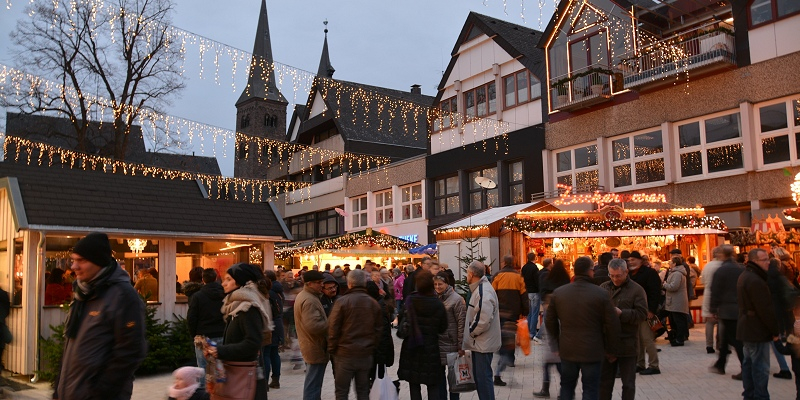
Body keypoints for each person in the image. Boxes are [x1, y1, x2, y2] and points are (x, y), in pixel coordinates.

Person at [57, 232, 146, 399]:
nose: (74, 266)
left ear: (98, 262)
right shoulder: (83, 294)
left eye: (81, 260)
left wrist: (100, 393)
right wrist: (57, 389)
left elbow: (130, 351)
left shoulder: (122, 296)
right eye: (73, 260)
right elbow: (70, 346)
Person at [545, 256, 620, 400]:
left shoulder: (559, 293)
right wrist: (612, 349)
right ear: (591, 271)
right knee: (591, 388)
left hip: (567, 349)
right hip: (593, 348)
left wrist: (556, 343)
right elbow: (612, 324)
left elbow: (550, 321)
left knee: (566, 386)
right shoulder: (601, 294)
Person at [204, 263, 272, 400]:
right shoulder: (237, 306)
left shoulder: (248, 308)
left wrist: (220, 351)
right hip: (239, 373)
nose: (223, 283)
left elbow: (252, 343)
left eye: (228, 279)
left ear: (241, 280)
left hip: (245, 378)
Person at [328, 269, 383, 400]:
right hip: (365, 354)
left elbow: (333, 329)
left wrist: (332, 349)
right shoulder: (373, 303)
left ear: (349, 283)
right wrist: (371, 346)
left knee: (341, 391)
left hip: (344, 354)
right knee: (363, 390)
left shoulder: (341, 302)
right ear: (364, 283)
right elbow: (379, 329)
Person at [599, 258, 647, 400]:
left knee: (628, 384)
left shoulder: (637, 290)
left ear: (626, 272)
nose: (615, 279)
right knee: (604, 384)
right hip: (607, 343)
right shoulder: (603, 288)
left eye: (618, 275)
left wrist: (622, 313)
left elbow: (642, 314)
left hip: (628, 343)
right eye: (611, 275)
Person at [398, 270, 448, 400]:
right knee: (433, 385)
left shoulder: (410, 301)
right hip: (431, 349)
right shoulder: (437, 304)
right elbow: (443, 328)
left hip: (412, 348)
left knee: (414, 385)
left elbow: (402, 326)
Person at [738, 248, 779, 399]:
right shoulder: (755, 279)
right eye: (765, 260)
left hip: (748, 328)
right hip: (756, 330)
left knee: (749, 364)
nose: (768, 262)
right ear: (755, 261)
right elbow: (765, 309)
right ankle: (760, 396)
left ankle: (749, 394)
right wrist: (775, 330)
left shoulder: (747, 275)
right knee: (760, 367)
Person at [463, 261, 501, 400]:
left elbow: (483, 320)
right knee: (481, 378)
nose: (467, 276)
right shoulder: (480, 289)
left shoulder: (483, 290)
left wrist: (471, 332)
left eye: (467, 273)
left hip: (482, 344)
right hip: (480, 343)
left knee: (483, 378)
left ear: (472, 274)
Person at [491, 255, 529, 386]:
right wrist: (525, 311)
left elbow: (492, 293)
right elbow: (524, 295)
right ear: (512, 263)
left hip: (500, 312)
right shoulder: (518, 277)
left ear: (503, 263)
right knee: (511, 336)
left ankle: (501, 355)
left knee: (501, 333)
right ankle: (509, 358)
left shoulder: (497, 275)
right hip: (513, 312)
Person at [710, 244, 745, 379]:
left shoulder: (722, 270)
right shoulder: (740, 268)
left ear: (722, 255)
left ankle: (744, 367)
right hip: (738, 307)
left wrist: (713, 308)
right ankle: (720, 364)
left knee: (734, 340)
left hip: (727, 309)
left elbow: (716, 291)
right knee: (725, 337)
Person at [294, 270, 329, 400]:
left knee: (313, 383)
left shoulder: (308, 296)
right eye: (319, 282)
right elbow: (313, 326)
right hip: (315, 346)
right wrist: (331, 324)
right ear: (309, 284)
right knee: (313, 385)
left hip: (312, 345)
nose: (322, 285)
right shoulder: (309, 300)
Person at [628, 250, 662, 375]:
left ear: (640, 260)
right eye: (629, 260)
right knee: (637, 339)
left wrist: (651, 310)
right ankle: (640, 363)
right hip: (634, 311)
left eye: (633, 260)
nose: (631, 262)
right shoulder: (630, 274)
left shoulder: (650, 273)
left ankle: (654, 365)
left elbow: (655, 292)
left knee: (647, 338)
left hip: (646, 311)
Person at [434, 270, 466, 400]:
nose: (437, 287)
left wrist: (461, 344)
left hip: (452, 343)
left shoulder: (457, 299)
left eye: (440, 284)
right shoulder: (434, 298)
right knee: (440, 378)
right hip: (438, 343)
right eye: (435, 284)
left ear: (447, 284)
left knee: (454, 379)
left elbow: (461, 323)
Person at [187, 268, 225, 369]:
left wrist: (194, 334)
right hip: (222, 333)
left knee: (203, 367)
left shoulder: (198, 296)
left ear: (203, 279)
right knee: (221, 367)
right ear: (216, 278)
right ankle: (220, 385)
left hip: (203, 335)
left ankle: (204, 385)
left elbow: (191, 318)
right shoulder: (225, 294)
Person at [769, 247, 795, 379]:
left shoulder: (775, 275)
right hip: (787, 306)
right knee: (790, 330)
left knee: (776, 335)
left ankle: (785, 366)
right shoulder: (791, 265)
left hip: (778, 307)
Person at [264, 269, 285, 390]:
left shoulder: (269, 293)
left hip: (271, 325)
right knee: (274, 353)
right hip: (278, 324)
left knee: (266, 353)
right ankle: (276, 380)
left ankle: (266, 382)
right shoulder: (278, 291)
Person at [663, 255, 690, 346]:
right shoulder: (674, 272)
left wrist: (665, 284)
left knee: (679, 320)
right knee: (675, 320)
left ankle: (680, 338)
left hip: (677, 301)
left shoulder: (677, 274)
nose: (669, 264)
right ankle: (677, 336)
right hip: (674, 300)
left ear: (674, 263)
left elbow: (674, 286)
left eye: (671, 262)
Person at [702, 246, 724, 354]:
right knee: (720, 321)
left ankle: (709, 345)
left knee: (710, 322)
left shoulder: (707, 265)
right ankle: (720, 344)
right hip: (720, 295)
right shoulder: (722, 265)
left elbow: (702, 280)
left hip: (708, 294)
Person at [521, 253, 541, 339]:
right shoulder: (535, 268)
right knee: (535, 313)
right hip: (535, 292)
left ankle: (527, 331)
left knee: (529, 312)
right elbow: (537, 280)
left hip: (527, 291)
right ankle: (532, 332)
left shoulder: (524, 268)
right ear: (535, 258)